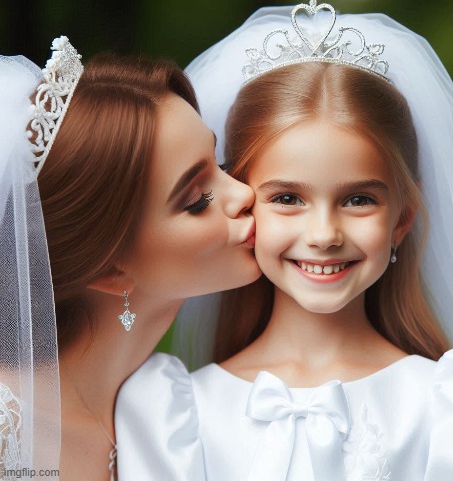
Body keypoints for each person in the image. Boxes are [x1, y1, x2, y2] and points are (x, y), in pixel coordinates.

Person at [177, 0, 453, 479]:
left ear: (402, 220)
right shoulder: (182, 412)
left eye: (358, 199)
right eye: (287, 198)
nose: (324, 233)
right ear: (244, 206)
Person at [0, 37, 260, 480]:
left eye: (221, 162)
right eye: (197, 199)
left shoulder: (178, 408)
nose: (245, 193)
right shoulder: (11, 437)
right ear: (108, 268)